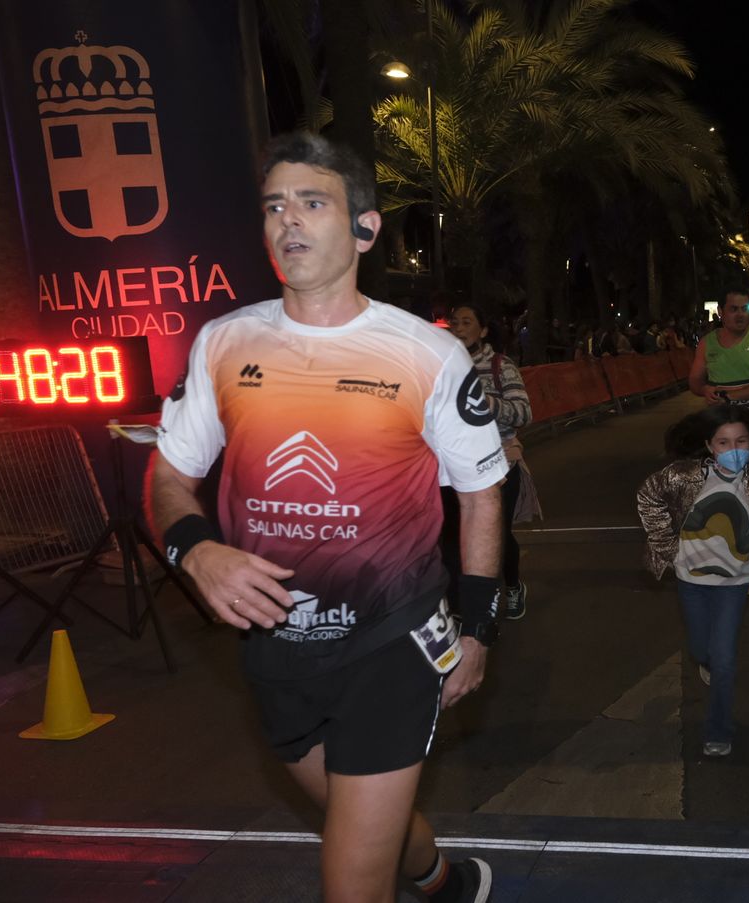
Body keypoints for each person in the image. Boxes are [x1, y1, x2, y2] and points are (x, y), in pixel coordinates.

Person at [148, 133, 500, 901]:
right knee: (354, 812)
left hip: (392, 639)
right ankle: (443, 880)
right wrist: (196, 550)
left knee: (350, 877)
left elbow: (480, 493)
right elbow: (168, 477)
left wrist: (478, 629)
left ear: (366, 229)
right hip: (275, 645)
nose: (289, 220)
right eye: (275, 205)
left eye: (312, 202)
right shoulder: (223, 343)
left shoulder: (428, 355)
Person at [636, 405, 749, 757]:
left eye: (741, 441)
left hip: (734, 583)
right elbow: (648, 496)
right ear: (709, 445)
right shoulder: (683, 476)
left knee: (724, 658)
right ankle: (706, 660)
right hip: (690, 579)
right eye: (723, 442)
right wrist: (668, 547)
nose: (733, 449)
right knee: (700, 649)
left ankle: (718, 730)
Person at [443, 302, 534, 620]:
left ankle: (512, 585)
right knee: (452, 538)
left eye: (467, 322)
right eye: (455, 322)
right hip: (453, 468)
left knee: (495, 535)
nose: (458, 327)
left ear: (482, 331)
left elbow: (523, 413)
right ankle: (461, 607)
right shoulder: (441, 367)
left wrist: (483, 401)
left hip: (499, 466)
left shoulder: (501, 366)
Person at [688, 291, 749, 460]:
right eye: (733, 309)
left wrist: (729, 396)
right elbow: (695, 381)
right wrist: (704, 390)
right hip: (720, 432)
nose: (740, 315)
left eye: (745, 309)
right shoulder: (706, 343)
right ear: (721, 311)